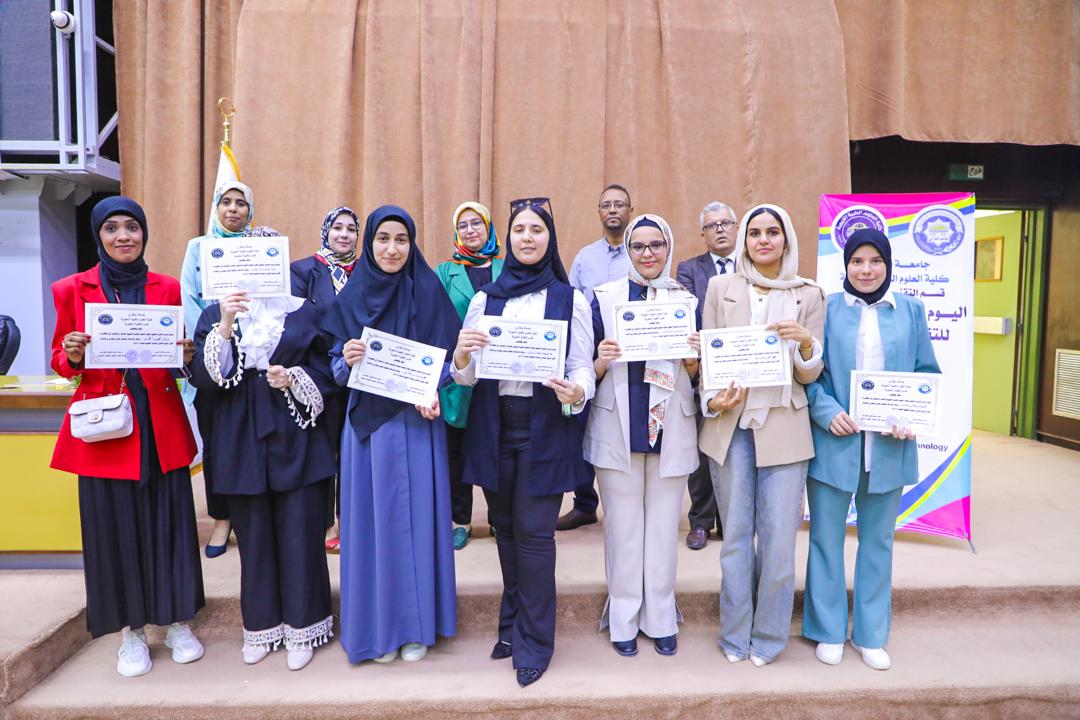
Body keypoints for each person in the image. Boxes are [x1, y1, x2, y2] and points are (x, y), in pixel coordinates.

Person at [50, 196, 204, 677]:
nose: (123, 236)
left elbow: (175, 361)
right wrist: (72, 354)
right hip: (107, 431)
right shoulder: (71, 289)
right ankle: (131, 633)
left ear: (144, 234)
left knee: (170, 525)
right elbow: (59, 360)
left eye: (132, 227)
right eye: (112, 228)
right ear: (98, 235)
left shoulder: (167, 287)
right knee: (114, 532)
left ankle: (177, 622)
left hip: (160, 426)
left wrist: (185, 355)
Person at [452, 197, 595, 687]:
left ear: (549, 239)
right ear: (508, 239)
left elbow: (581, 367)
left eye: (537, 230)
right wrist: (461, 355)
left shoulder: (570, 299)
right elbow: (466, 378)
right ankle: (512, 625)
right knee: (507, 531)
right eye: (519, 230)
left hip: (544, 428)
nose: (527, 237)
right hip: (494, 427)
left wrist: (578, 391)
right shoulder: (484, 300)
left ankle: (535, 642)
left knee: (535, 536)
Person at [190, 236, 337, 671]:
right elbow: (204, 379)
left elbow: (329, 373)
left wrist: (295, 378)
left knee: (300, 530)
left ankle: (304, 626)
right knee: (253, 535)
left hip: (295, 430)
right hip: (240, 432)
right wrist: (225, 323)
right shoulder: (214, 314)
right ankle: (261, 626)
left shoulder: (306, 311)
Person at [324, 205, 459, 665]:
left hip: (418, 423)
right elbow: (336, 370)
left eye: (402, 239)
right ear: (369, 244)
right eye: (383, 239)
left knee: (416, 521)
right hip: (369, 429)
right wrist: (348, 359)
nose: (392, 249)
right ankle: (379, 629)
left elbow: (449, 361)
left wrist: (435, 386)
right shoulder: (352, 296)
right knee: (372, 526)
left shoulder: (429, 290)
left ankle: (416, 627)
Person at [803, 228, 940, 671]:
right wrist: (826, 412)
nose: (866, 270)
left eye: (875, 261)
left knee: (878, 542)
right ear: (845, 265)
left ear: (887, 264)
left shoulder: (911, 310)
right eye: (857, 261)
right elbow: (809, 374)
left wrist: (911, 414)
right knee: (826, 540)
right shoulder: (826, 308)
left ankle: (871, 634)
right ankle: (827, 630)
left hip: (888, 447)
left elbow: (925, 373)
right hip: (835, 441)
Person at [699, 203, 825, 667]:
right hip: (730, 427)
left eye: (773, 232)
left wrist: (806, 343)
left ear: (786, 239)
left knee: (778, 542)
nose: (763, 240)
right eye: (755, 233)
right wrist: (714, 400)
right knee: (734, 538)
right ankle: (735, 634)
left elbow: (810, 374)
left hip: (784, 427)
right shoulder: (720, 287)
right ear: (744, 240)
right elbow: (709, 360)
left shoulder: (808, 294)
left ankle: (769, 636)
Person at [585, 214, 699, 657]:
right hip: (618, 423)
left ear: (668, 248)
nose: (648, 253)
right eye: (638, 246)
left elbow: (701, 372)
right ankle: (623, 618)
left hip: (671, 426)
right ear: (627, 250)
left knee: (664, 530)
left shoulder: (686, 300)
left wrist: (693, 362)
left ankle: (661, 617)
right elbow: (581, 366)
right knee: (624, 531)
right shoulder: (603, 298)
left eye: (656, 245)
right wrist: (600, 358)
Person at [180, 180, 254, 558]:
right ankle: (221, 518)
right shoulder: (199, 247)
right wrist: (212, 341)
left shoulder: (259, 248)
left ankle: (250, 516)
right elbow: (189, 300)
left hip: (253, 358)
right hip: (211, 354)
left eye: (241, 203)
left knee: (249, 441)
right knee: (216, 442)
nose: (233, 209)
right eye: (226, 202)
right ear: (217, 207)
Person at [560, 184, 634, 531]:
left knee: (625, 422)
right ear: (599, 212)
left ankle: (627, 503)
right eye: (607, 205)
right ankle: (585, 503)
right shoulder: (585, 257)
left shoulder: (643, 250)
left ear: (630, 211)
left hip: (634, 348)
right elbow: (572, 302)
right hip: (590, 348)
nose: (613, 210)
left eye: (620, 204)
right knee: (583, 423)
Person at [434, 202, 504, 550]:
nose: (471, 230)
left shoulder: (508, 267)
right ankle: (459, 521)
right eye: (463, 225)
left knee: (496, 446)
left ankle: (499, 519)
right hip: (457, 372)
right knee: (457, 452)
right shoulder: (444, 271)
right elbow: (433, 319)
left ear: (488, 227)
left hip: (500, 374)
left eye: (477, 223)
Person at [290, 206, 361, 553]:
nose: (344, 234)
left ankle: (348, 521)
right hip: (319, 375)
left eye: (351, 229)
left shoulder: (367, 271)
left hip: (360, 374)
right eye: (338, 228)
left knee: (353, 452)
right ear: (326, 232)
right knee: (323, 452)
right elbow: (296, 323)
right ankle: (324, 524)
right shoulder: (304, 270)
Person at [676, 201, 738, 550]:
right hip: (701, 369)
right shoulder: (689, 270)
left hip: (744, 367)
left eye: (726, 223)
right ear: (703, 234)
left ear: (736, 228)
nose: (720, 230)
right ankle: (700, 521)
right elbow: (689, 315)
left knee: (736, 450)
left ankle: (731, 520)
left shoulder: (752, 266)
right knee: (702, 450)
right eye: (712, 225)